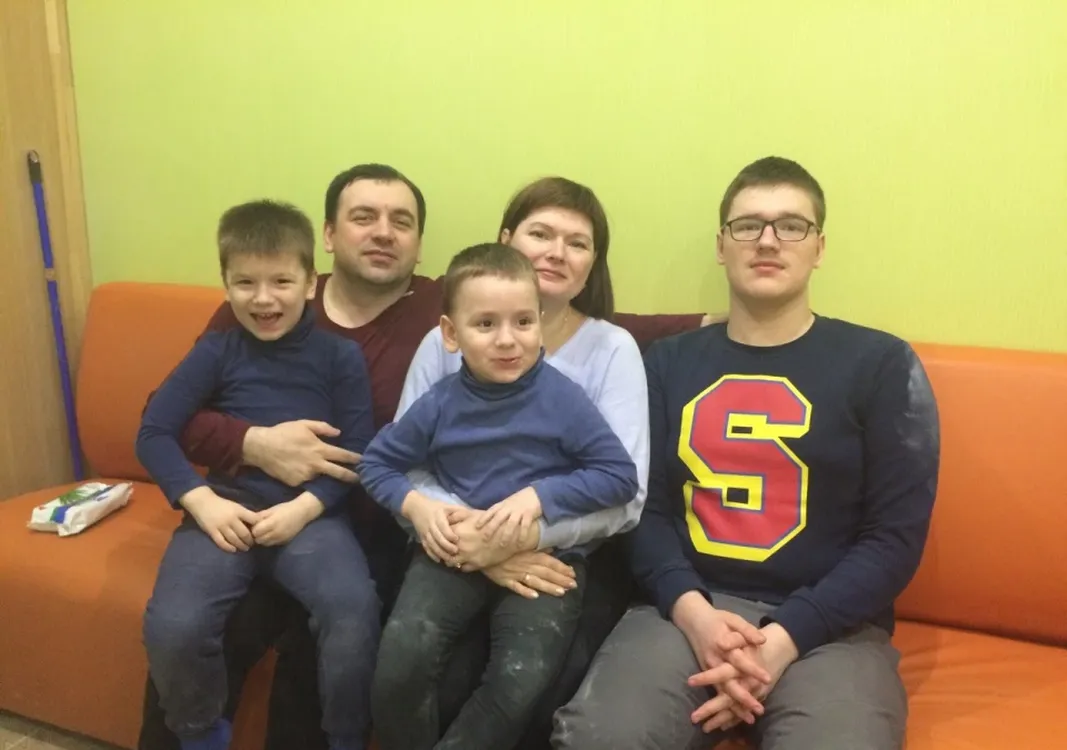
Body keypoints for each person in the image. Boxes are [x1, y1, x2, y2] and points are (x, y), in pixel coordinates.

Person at [136, 164, 710, 750]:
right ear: (329, 236)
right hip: (350, 521)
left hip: (379, 530)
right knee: (192, 625)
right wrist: (250, 443)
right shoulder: (269, 296)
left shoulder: (494, 319)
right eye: (364, 217)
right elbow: (165, 418)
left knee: (379, 638)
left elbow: (606, 371)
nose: (383, 233)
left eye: (401, 221)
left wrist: (711, 323)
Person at [552, 156, 941, 750]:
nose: (767, 240)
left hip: (832, 630)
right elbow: (642, 509)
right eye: (748, 225)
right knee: (596, 738)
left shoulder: (882, 364)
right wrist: (695, 615)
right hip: (684, 614)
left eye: (792, 225)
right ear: (721, 245)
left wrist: (783, 639)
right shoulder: (665, 363)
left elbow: (894, 537)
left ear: (819, 247)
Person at [362, 242, 642, 750]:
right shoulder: (439, 403)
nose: (508, 340)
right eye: (486, 324)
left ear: (540, 322)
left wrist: (540, 496)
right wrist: (419, 507)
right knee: (399, 666)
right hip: (453, 551)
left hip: (546, 561)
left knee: (520, 682)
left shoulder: (564, 399)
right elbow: (376, 464)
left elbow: (619, 476)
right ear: (451, 334)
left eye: (523, 322)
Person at [136, 200, 381, 750]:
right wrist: (200, 500)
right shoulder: (216, 350)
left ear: (310, 283)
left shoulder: (340, 357)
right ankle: (200, 736)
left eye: (281, 281)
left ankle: (345, 739)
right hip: (224, 510)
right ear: (225, 284)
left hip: (311, 518)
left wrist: (303, 508)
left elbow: (359, 452)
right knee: (173, 626)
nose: (263, 298)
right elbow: (153, 431)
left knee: (353, 613)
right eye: (245, 282)